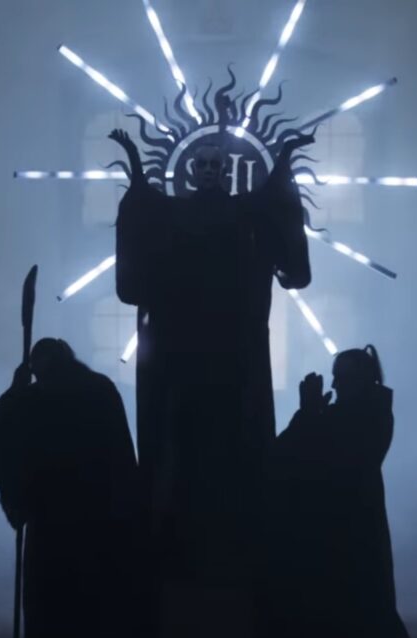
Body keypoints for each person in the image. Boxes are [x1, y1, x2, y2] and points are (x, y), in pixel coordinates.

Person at [106, 127, 315, 584]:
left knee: (225, 443)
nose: (207, 172)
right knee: (185, 445)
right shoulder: (178, 213)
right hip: (187, 356)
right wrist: (134, 163)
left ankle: (221, 537)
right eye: (201, 165)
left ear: (225, 171)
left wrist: (284, 158)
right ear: (191, 170)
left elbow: (272, 202)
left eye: (214, 166)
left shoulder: (241, 212)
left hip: (227, 355)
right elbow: (143, 208)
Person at [258, 345, 417, 638]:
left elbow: (306, 455)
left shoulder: (363, 418)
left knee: (359, 599)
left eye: (342, 378)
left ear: (361, 381)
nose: (335, 384)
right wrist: (312, 415)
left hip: (349, 523)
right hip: (350, 521)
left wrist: (309, 414)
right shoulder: (362, 414)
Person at [0, 338, 153, 638]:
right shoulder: (97, 391)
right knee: (87, 599)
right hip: (95, 517)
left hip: (56, 516)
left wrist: (13, 394)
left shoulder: (34, 399)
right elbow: (122, 455)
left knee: (53, 601)